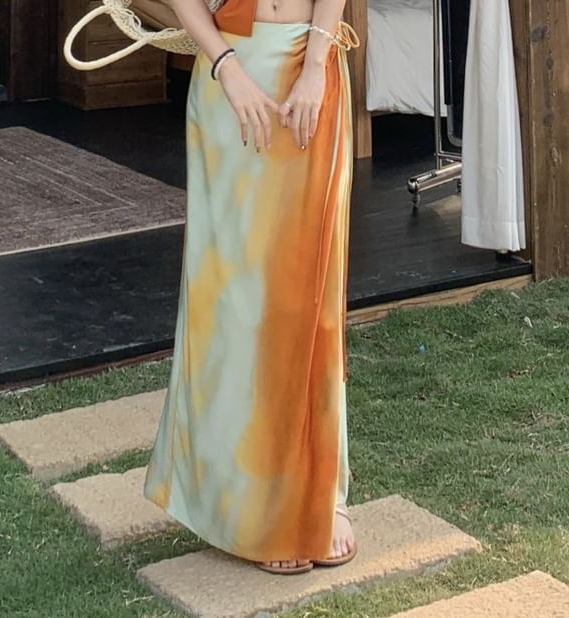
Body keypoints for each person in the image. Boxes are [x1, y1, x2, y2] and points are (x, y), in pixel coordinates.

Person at [143, 0, 358, 575]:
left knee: (308, 300)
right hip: (230, 77)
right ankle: (241, 506)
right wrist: (227, 67)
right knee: (232, 299)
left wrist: (315, 67)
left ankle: (321, 498)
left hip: (309, 68)